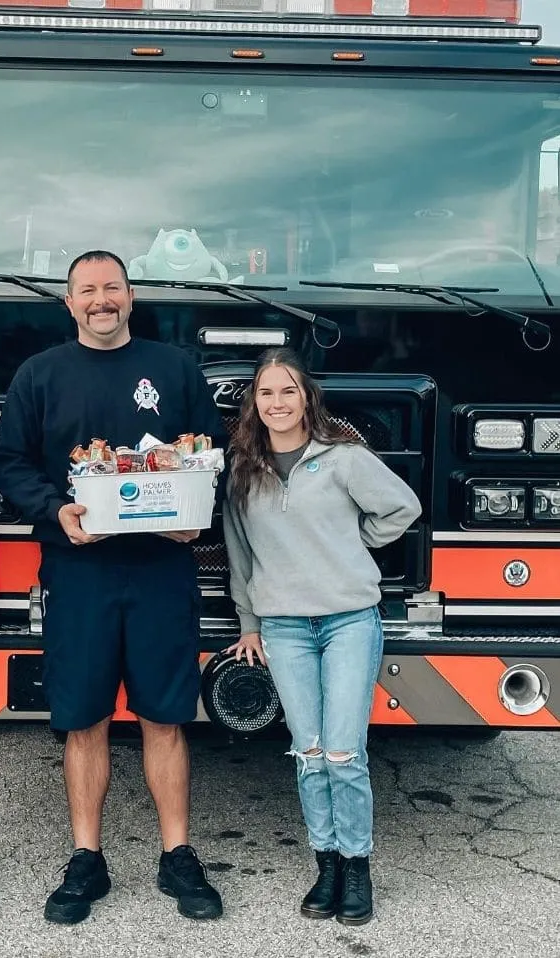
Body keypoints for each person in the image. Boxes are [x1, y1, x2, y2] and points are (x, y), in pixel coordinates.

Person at [0, 249, 228, 925]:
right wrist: (54, 509)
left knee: (165, 716)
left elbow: (209, 453)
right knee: (83, 717)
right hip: (79, 572)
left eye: (113, 288)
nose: (102, 300)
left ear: (131, 296)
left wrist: (196, 517)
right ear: (69, 303)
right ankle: (86, 857)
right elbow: (10, 462)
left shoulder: (175, 368)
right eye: (88, 290)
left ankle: (177, 854)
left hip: (161, 570)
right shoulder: (40, 375)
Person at [222, 347, 421, 927]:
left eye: (288, 391)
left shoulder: (344, 458)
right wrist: (249, 624)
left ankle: (357, 867)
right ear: (254, 404)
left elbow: (402, 507)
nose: (277, 403)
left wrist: (354, 543)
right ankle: (326, 864)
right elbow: (239, 552)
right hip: (283, 627)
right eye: (266, 393)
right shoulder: (243, 470)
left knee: (343, 751)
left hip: (348, 620)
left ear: (307, 398)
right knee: (308, 752)